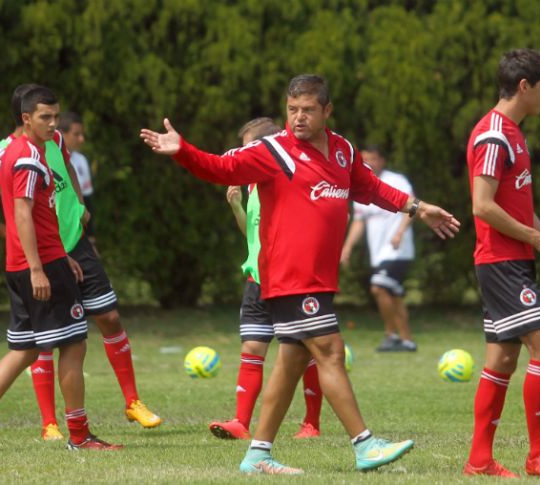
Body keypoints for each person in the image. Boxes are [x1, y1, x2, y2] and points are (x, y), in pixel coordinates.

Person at [141, 74, 460, 474]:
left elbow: (369, 187)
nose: (298, 118)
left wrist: (417, 207)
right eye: (292, 110)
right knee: (329, 351)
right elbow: (222, 168)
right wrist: (182, 150)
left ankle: (257, 456)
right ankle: (365, 445)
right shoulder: (274, 151)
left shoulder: (342, 150)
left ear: (327, 110)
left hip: (318, 277)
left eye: (307, 109)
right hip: (290, 277)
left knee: (291, 361)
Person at [0, 84, 162, 441]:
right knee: (73, 343)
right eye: (46, 118)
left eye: (55, 117)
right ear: (25, 118)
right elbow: (22, 213)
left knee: (25, 349)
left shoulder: (35, 150)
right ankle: (79, 435)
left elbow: (38, 215)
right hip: (40, 264)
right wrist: (40, 264)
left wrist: (61, 247)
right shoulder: (25, 156)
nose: (55, 125)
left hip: (34, 260)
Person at [463, 48, 540, 478]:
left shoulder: (512, 133)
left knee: (501, 362)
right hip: (501, 261)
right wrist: (537, 241)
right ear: (524, 86)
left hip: (511, 258)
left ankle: (479, 459)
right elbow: (482, 206)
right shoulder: (494, 135)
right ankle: (538, 454)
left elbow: (516, 204)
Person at [209, 117, 323, 441]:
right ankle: (241, 423)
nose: (243, 157)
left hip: (290, 282)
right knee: (252, 348)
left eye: (248, 150)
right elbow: (253, 235)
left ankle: (311, 424)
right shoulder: (253, 185)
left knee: (305, 352)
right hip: (258, 281)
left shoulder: (291, 180)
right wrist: (235, 207)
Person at [340, 145, 418, 352]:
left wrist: (400, 232)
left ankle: (391, 335)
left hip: (398, 250)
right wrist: (347, 247)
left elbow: (412, 207)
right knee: (394, 293)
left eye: (373, 159)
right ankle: (407, 340)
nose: (369, 164)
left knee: (378, 287)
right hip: (379, 253)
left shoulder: (396, 181)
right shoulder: (362, 185)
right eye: (365, 160)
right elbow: (359, 221)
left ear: (382, 160)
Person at [58, 111, 99, 255]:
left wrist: (91, 240)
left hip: (79, 238)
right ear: (61, 134)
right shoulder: (48, 159)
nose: (82, 139)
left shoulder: (81, 161)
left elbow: (87, 202)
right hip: (56, 239)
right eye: (76, 134)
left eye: (82, 134)